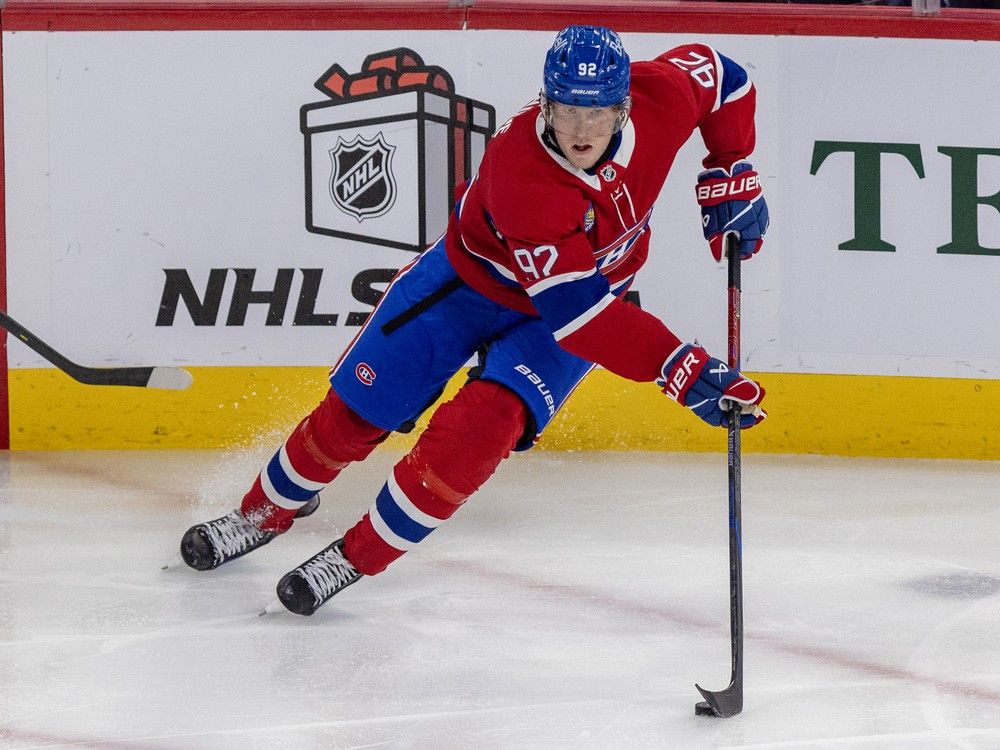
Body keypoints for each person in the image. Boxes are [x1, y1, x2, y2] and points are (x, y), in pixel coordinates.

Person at [178, 25, 770, 616]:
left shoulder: (663, 95)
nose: (581, 131)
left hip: (572, 307)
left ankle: (354, 556)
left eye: (596, 114)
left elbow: (725, 76)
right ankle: (259, 514)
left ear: (624, 107)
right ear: (546, 103)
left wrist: (730, 162)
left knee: (481, 431)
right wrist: (675, 364)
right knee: (355, 414)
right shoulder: (524, 175)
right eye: (567, 110)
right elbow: (581, 320)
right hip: (472, 286)